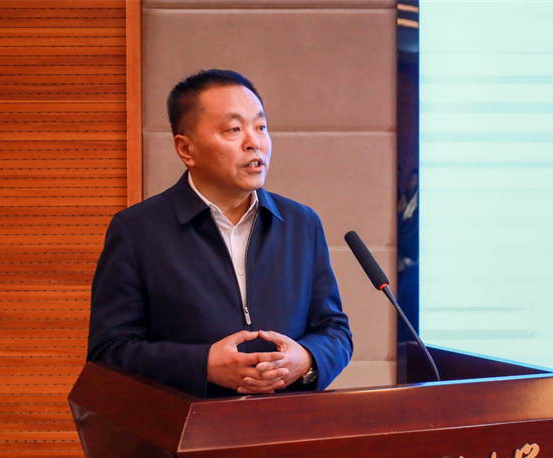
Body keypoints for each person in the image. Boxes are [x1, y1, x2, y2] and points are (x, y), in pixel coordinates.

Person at [87, 69, 353, 398]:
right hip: (188, 423)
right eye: (233, 130)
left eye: (261, 127)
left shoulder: (301, 223)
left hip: (285, 422)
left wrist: (307, 359)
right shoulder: (137, 231)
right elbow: (108, 352)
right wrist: (202, 365)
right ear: (186, 149)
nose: (254, 142)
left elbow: (334, 330)